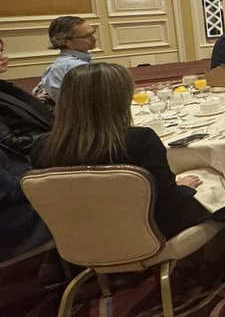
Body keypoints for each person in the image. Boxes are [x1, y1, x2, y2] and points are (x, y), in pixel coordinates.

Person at [31, 62, 213, 239]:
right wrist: (182, 188)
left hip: (77, 238)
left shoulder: (42, 147)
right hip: (148, 234)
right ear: (119, 99)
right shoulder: (139, 140)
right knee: (215, 187)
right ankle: (212, 261)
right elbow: (168, 202)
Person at [0, 37, 53, 261]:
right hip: (15, 220)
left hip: (28, 181)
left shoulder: (4, 88)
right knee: (96, 193)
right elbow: (8, 190)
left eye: (1, 49)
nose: (3, 56)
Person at [34, 15, 96, 104]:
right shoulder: (73, 67)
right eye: (87, 36)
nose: (94, 38)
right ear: (65, 41)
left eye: (92, 33)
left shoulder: (61, 64)